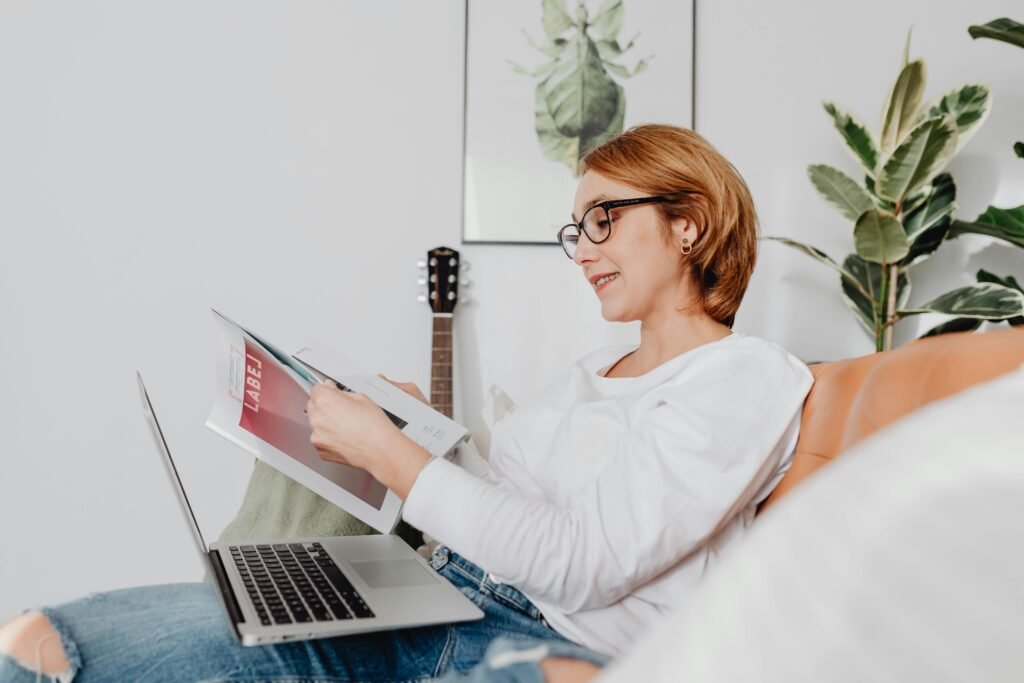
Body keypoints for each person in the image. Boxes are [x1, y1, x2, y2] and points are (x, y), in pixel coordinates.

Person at [0, 124, 813, 682]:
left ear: (689, 224)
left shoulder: (741, 378)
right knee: (46, 630)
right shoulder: (595, 370)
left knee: (64, 653)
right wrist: (425, 432)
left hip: (535, 639)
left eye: (602, 219)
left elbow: (580, 563)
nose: (584, 249)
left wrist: (397, 456)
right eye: (576, 230)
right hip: (457, 589)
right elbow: (515, 504)